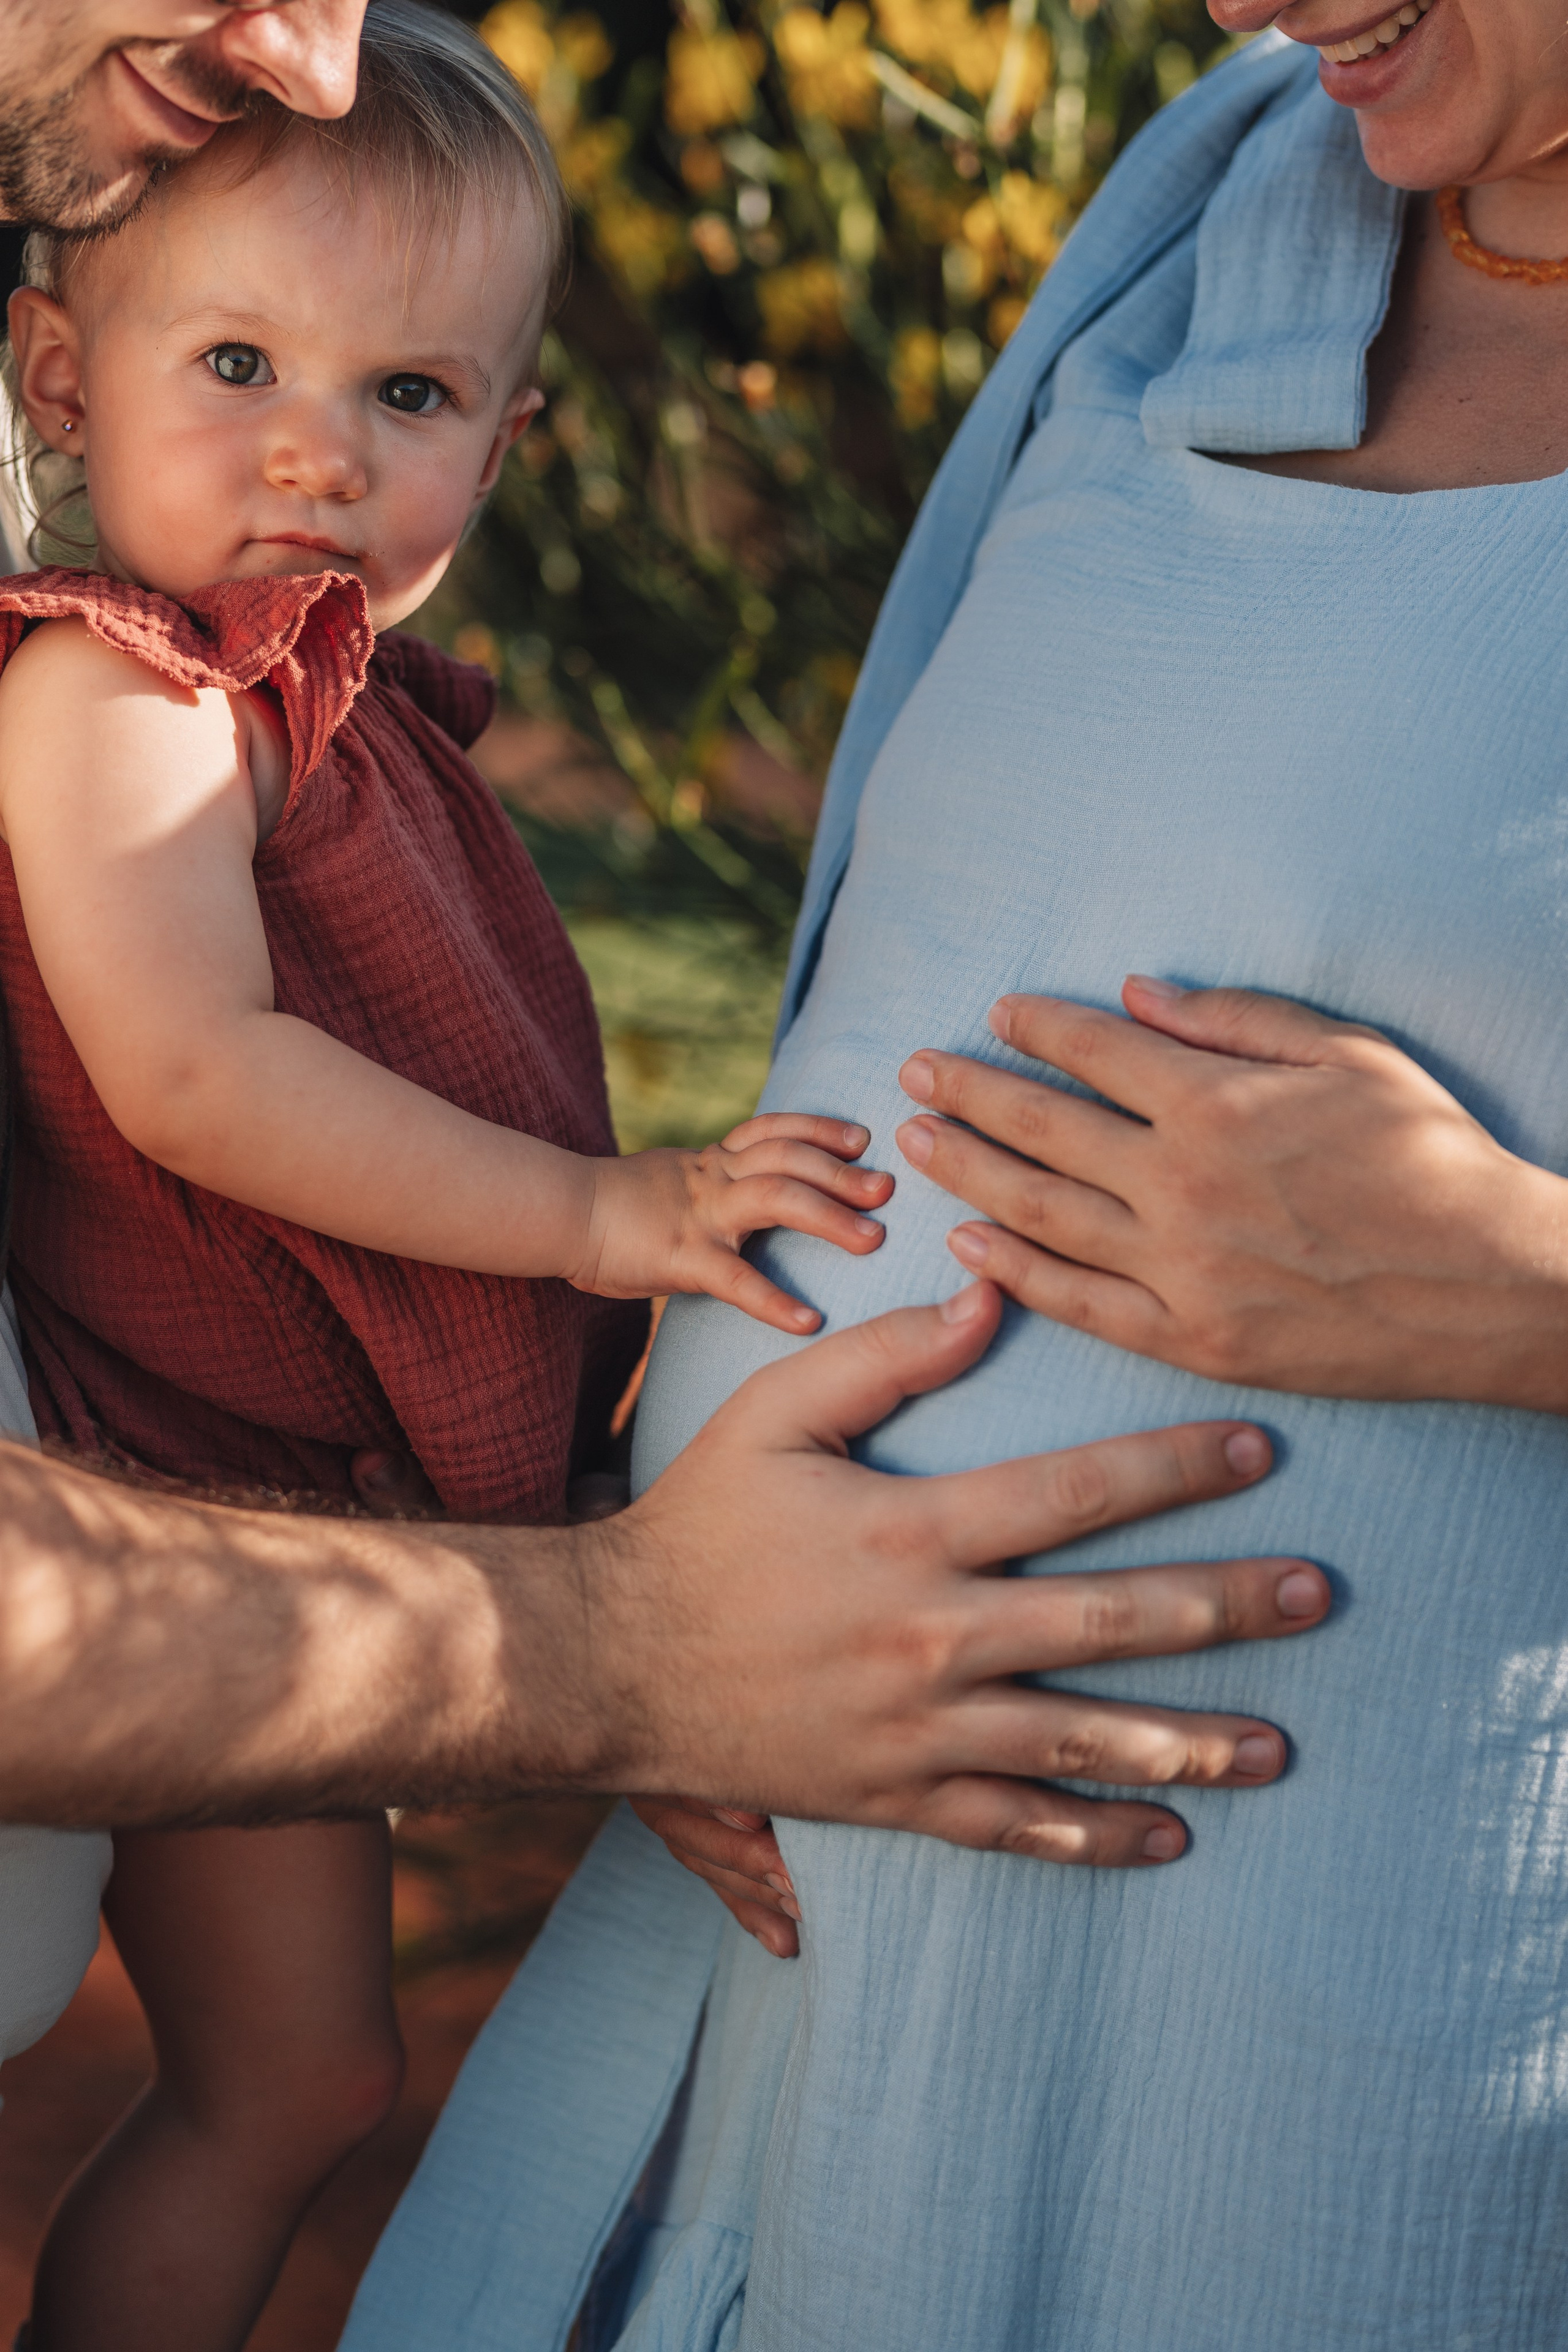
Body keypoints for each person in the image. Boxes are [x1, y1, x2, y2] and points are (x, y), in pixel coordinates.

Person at [0, 0, 1332, 2315]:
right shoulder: (119, 695)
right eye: (237, 366)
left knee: (304, 2079)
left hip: (340, 1473)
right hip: (195, 1481)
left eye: (405, 399)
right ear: (54, 381)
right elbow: (196, 1076)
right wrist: (610, 1216)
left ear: (506, 445)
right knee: (291, 2083)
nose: (319, 454)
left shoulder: (338, 704)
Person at [343, 7, 1568, 2349]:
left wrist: (1515, 1288)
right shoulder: (1226, 190)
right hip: (751, 2013)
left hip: (1316, 2104)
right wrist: (665, 1627)